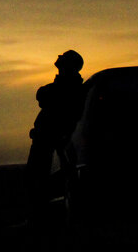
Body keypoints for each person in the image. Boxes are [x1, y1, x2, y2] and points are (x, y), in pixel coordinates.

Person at [25, 49, 85, 220]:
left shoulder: (69, 88)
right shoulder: (65, 86)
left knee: (40, 181)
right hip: (49, 141)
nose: (59, 57)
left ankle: (42, 218)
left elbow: (43, 95)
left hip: (54, 142)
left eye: (63, 57)